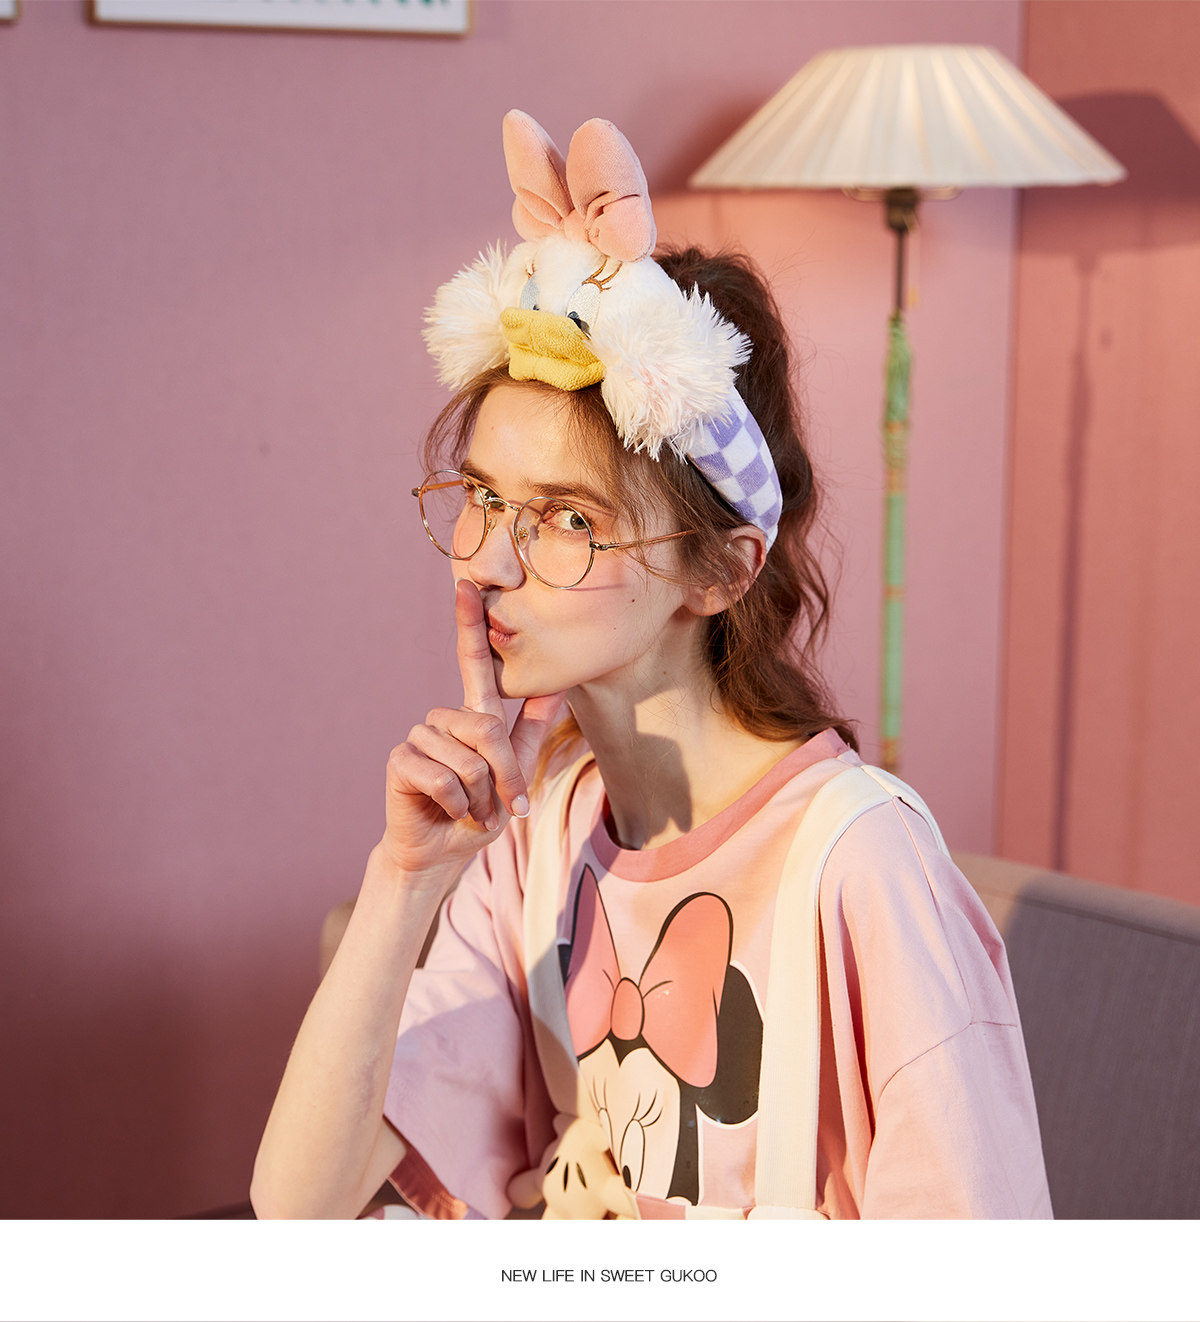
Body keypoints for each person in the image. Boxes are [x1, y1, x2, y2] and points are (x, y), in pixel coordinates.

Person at [251, 111, 1052, 1221]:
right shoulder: (539, 836)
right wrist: (406, 877)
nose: (486, 562)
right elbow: (296, 1206)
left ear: (720, 569)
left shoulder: (860, 866)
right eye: (482, 498)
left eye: (567, 519)